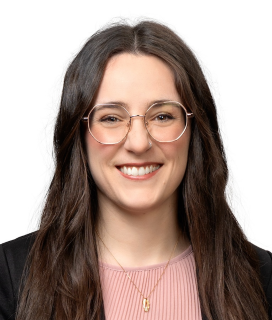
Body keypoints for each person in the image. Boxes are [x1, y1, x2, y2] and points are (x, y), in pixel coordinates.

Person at [0, 20, 271, 320]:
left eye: (163, 116)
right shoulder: (10, 275)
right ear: (79, 135)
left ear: (195, 131)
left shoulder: (262, 277)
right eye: (112, 118)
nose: (139, 143)